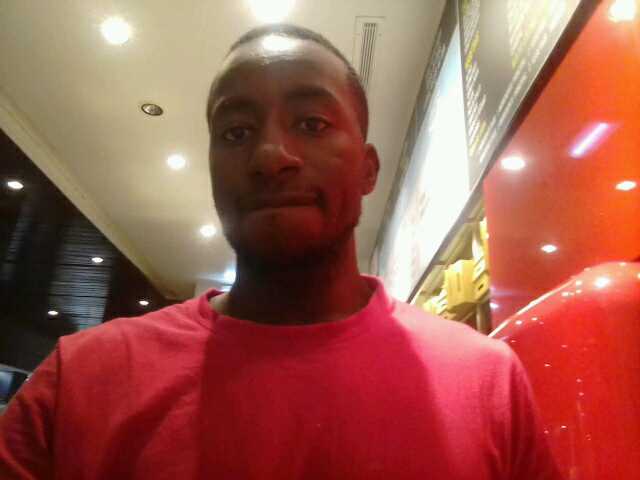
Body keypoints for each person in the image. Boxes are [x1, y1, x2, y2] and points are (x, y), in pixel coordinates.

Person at [0, 24, 561, 479]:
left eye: (312, 124)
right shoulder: (80, 383)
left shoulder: (487, 382)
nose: (270, 156)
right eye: (236, 132)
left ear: (368, 170)